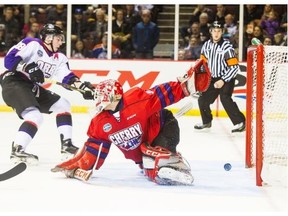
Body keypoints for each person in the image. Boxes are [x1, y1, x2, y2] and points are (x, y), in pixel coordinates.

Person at [51, 68, 199, 185]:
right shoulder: (100, 122)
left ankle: (172, 163)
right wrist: (77, 165)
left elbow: (162, 94)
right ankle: (159, 167)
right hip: (141, 151)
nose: (99, 99)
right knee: (148, 165)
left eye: (102, 95)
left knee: (160, 156)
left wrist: (185, 86)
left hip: (161, 127)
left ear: (114, 96)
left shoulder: (137, 100)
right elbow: (94, 151)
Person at [0, 23, 95, 164]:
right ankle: (18, 150)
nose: (61, 41)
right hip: (14, 81)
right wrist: (28, 67)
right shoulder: (32, 43)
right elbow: (9, 60)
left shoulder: (60, 58)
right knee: (34, 116)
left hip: (31, 87)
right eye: (58, 38)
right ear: (49, 38)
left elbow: (67, 78)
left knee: (63, 104)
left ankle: (67, 147)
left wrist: (81, 87)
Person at [194, 21, 246, 133]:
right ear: (210, 32)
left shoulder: (227, 47)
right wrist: (200, 81)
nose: (216, 33)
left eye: (218, 31)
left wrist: (223, 80)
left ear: (222, 32)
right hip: (212, 79)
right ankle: (206, 122)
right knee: (202, 100)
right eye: (214, 31)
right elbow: (203, 64)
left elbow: (234, 67)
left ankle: (240, 122)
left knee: (225, 98)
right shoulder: (206, 45)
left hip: (227, 78)